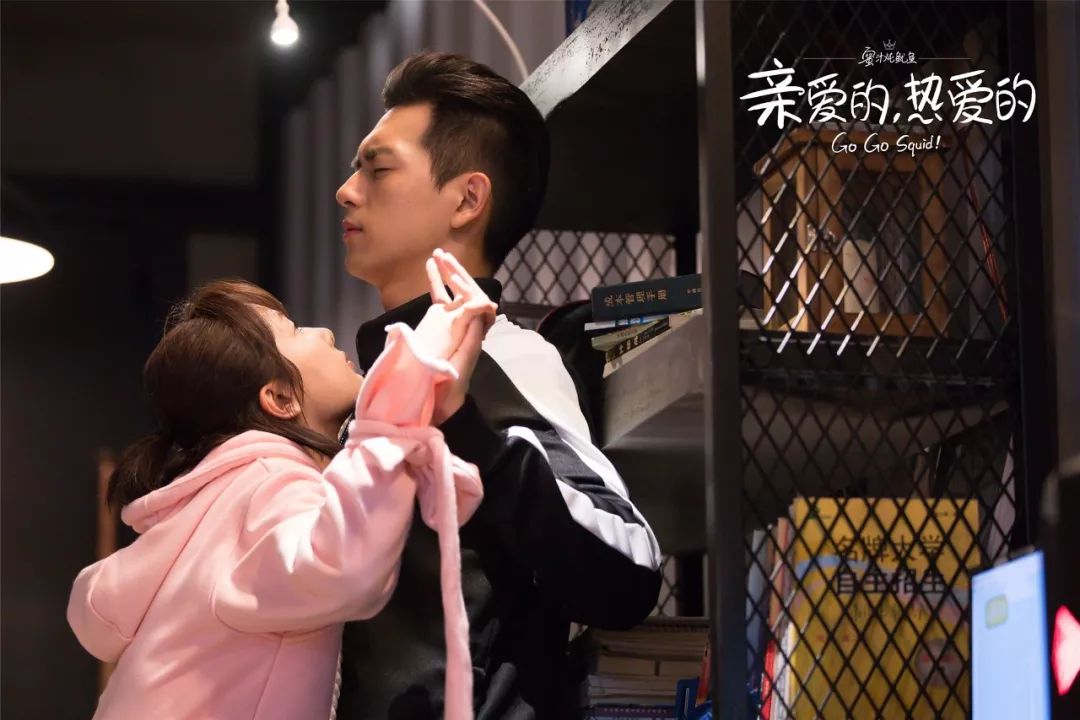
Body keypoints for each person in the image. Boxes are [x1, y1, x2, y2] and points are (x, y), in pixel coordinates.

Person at [334, 51, 663, 719]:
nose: (346, 189)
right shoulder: (382, 374)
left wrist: (466, 429)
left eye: (377, 168)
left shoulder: (504, 360)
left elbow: (630, 570)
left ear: (467, 199)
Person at [67, 251, 496, 720]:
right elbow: (343, 568)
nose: (324, 332)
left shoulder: (212, 502)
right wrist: (391, 419)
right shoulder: (271, 484)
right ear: (279, 397)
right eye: (294, 330)